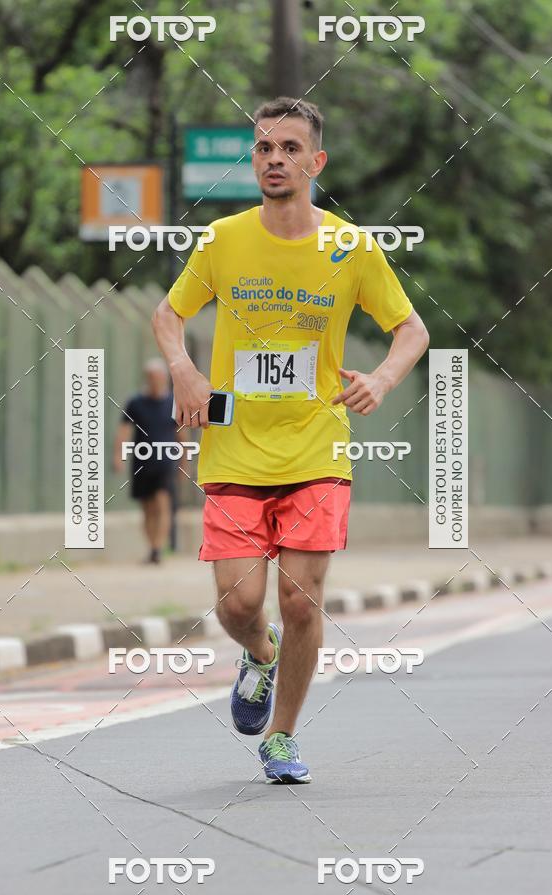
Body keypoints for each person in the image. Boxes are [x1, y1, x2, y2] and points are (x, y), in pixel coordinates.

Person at [152, 97, 429, 782]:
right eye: (264, 148)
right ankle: (260, 655)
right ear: (255, 159)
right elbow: (167, 314)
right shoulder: (221, 240)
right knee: (239, 604)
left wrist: (385, 381)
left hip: (317, 447)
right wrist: (185, 373)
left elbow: (412, 330)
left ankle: (281, 735)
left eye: (289, 148)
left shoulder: (350, 247)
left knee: (301, 599)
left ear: (315, 161)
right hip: (235, 448)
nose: (275, 158)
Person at [113, 358, 184, 564]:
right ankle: (152, 545)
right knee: (147, 507)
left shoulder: (173, 402)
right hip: (142, 462)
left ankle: (157, 548)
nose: (155, 381)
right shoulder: (135, 403)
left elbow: (181, 435)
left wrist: (183, 463)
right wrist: (118, 456)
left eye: (159, 377)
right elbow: (123, 432)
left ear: (165, 378)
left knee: (163, 502)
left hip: (165, 461)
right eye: (151, 377)